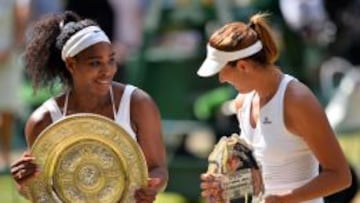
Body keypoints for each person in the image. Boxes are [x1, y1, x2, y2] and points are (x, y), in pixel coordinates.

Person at [9, 11, 168, 203]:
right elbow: (39, 193)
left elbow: (158, 168)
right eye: (95, 63)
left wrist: (152, 185)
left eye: (111, 60)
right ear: (71, 64)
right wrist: (25, 183)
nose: (107, 71)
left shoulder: (138, 104)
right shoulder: (43, 121)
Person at [198, 13, 351, 203]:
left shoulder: (297, 100)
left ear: (243, 66)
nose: (221, 79)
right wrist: (227, 187)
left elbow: (340, 176)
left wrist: (285, 199)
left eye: (221, 72)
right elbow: (266, 176)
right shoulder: (242, 102)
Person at [0, 0, 30, 173]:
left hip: (9, 60)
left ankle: (6, 157)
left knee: (7, 110)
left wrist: (9, 50)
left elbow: (20, 25)